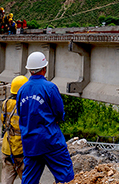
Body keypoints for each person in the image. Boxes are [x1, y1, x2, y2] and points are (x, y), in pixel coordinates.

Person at [17, 52, 74, 184]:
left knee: (29, 180)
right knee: (65, 177)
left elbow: (21, 114)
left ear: (29, 70)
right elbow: (59, 111)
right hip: (51, 140)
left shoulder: (22, 90)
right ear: (44, 69)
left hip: (31, 144)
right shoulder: (50, 87)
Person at [1, 75, 28, 184]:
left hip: (7, 148)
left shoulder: (6, 103)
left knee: (7, 179)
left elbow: (3, 121)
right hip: (21, 149)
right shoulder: (25, 105)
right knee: (28, 180)